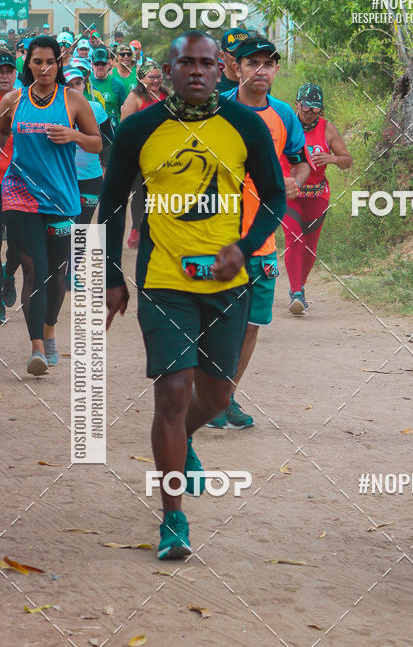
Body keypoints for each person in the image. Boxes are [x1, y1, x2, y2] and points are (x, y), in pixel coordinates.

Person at [98, 30, 286, 558]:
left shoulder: (244, 125)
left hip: (227, 282)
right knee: (173, 392)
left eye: (208, 63)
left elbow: (274, 196)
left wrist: (245, 248)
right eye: (187, 63)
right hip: (164, 279)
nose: (199, 71)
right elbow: (111, 204)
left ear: (220, 69)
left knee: (217, 396)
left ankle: (185, 441)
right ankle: (173, 519)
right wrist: (114, 276)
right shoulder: (139, 128)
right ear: (169, 69)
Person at [212, 36, 310, 429]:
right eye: (252, 63)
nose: (261, 70)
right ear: (236, 67)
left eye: (268, 64)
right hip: (216, 237)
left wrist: (294, 181)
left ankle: (225, 397)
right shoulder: (217, 110)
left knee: (252, 325)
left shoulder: (284, 115)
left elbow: (301, 163)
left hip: (263, 241)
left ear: (276, 70)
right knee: (216, 321)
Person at [0, 35, 102, 374]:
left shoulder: (73, 101)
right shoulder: (13, 100)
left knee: (56, 274)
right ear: (27, 64)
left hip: (60, 198)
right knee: (35, 270)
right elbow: (3, 130)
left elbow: (98, 143)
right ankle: (37, 350)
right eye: (37, 61)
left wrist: (73, 135)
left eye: (50, 62)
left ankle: (50, 331)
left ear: (59, 64)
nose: (44, 68)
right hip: (19, 193)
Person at [284, 83, 352, 314]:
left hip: (317, 196)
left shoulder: (328, 130)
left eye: (315, 108)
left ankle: (300, 287)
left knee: (310, 248)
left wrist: (331, 159)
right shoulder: (285, 123)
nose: (310, 112)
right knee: (295, 239)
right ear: (297, 103)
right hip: (290, 194)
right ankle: (296, 292)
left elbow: (347, 160)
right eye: (306, 106)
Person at [120, 62, 169, 249]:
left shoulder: (166, 95)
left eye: (158, 77)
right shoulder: (134, 98)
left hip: (164, 154)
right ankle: (136, 229)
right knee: (140, 194)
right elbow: (125, 128)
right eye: (152, 77)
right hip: (139, 155)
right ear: (141, 79)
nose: (156, 81)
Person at [64, 65, 107, 223]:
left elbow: (108, 143)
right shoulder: (53, 110)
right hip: (64, 179)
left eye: (78, 83)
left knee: (82, 227)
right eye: (69, 84)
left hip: (91, 178)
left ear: (84, 85)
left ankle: (82, 249)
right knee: (65, 229)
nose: (75, 88)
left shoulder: (96, 108)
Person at [0, 50, 20, 323]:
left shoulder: (25, 100)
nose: (4, 76)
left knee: (18, 246)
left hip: (19, 184)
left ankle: (8, 274)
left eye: (8, 71)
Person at [91, 46, 127, 135]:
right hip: (89, 131)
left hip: (111, 132)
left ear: (109, 64)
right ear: (92, 65)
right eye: (97, 64)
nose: (100, 67)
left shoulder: (118, 85)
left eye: (103, 63)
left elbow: (124, 111)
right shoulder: (84, 82)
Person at [217, 28, 253, 94]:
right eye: (236, 52)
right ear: (222, 56)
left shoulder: (259, 82)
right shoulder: (212, 85)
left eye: (247, 51)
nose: (242, 57)